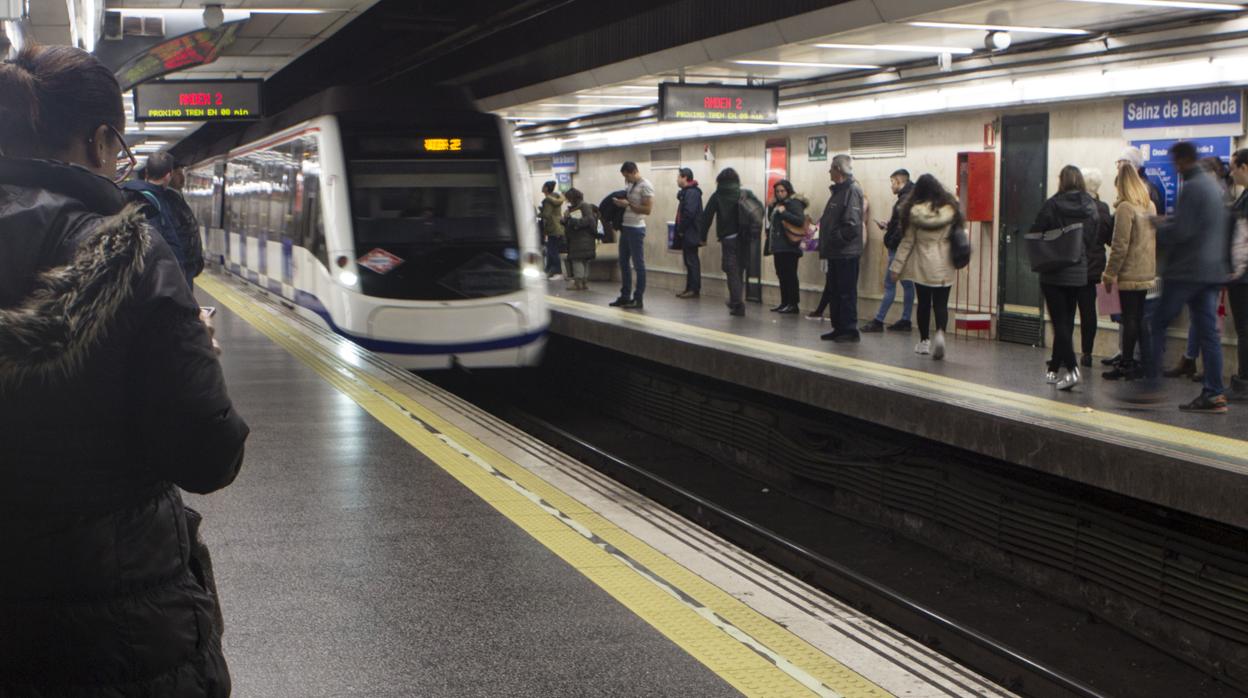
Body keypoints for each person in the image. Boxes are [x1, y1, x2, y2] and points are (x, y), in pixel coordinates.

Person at [0, 44, 248, 695]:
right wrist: (197, 353)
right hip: (114, 623)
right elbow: (207, 453)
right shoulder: (130, 252)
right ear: (99, 139)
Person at [1129, 141, 1231, 412]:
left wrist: (1157, 226)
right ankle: (1214, 393)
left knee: (1157, 322)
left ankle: (1151, 388)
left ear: (1183, 160)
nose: (1175, 167)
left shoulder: (1193, 187)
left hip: (1186, 271)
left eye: (1176, 162)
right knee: (1208, 333)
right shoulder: (1214, 187)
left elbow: (1183, 232)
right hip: (1210, 272)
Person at [1032, 165, 1097, 391]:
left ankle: (1071, 369)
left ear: (1061, 181)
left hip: (1053, 271)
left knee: (1059, 322)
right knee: (1067, 321)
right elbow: (1092, 237)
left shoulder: (1052, 204)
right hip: (1078, 270)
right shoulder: (1090, 205)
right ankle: (1055, 368)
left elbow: (1036, 230)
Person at [889, 174, 961, 360]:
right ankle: (940, 336)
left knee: (923, 303)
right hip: (945, 263)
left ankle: (924, 341)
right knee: (941, 304)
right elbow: (959, 235)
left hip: (922, 264)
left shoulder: (914, 213)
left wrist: (896, 267)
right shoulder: (950, 210)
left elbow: (907, 242)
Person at [1101, 163, 1157, 381]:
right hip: (1145, 271)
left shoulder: (1125, 208)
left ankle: (1126, 364)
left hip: (1129, 272)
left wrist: (1109, 273)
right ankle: (1143, 363)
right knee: (1140, 317)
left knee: (1129, 319)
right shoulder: (1149, 205)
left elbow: (1120, 245)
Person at [811, 154, 865, 342]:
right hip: (834, 252)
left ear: (839, 170)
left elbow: (852, 224)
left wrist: (835, 238)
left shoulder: (851, 190)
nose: (829, 172)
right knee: (834, 290)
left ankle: (849, 329)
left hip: (846, 253)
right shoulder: (838, 192)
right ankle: (838, 327)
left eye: (832, 168)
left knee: (846, 292)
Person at [699, 168, 762, 317]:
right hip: (746, 237)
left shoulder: (718, 195)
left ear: (719, 181)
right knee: (739, 269)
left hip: (729, 238)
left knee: (731, 270)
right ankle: (735, 299)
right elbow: (759, 209)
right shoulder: (745, 193)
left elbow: (706, 217)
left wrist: (702, 237)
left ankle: (737, 303)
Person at [862, 169, 915, 333]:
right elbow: (900, 224)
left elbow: (902, 228)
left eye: (892, 182)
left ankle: (878, 320)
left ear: (899, 181)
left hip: (898, 249)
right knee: (907, 285)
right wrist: (888, 226)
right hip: (904, 248)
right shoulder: (909, 198)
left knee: (889, 284)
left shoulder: (905, 200)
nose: (891, 186)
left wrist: (891, 240)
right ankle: (905, 319)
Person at [1079, 167, 1114, 366]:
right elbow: (1108, 237)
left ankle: (1064, 353)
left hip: (1075, 266)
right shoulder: (1103, 208)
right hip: (1094, 266)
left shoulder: (1077, 207)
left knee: (1067, 310)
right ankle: (1087, 353)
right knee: (1088, 311)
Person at [609, 161, 653, 309]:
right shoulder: (630, 185)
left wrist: (627, 205)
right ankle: (625, 296)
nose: (626, 179)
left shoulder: (645, 185)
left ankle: (638, 298)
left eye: (627, 176)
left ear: (634, 171)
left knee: (638, 264)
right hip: (625, 228)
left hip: (636, 229)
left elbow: (647, 210)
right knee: (623, 262)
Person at [1224, 148, 1248, 402]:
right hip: (1242, 274)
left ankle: (1244, 380)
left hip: (1243, 276)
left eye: (1234, 167)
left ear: (1245, 167)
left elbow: (1243, 240)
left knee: (1244, 329)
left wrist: (1236, 270)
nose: (1231, 172)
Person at [767, 179, 807, 314]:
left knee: (790, 275)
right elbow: (770, 220)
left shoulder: (794, 203)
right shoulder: (778, 204)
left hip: (790, 246)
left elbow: (800, 220)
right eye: (777, 191)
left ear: (788, 191)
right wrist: (772, 207)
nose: (779, 193)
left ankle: (793, 303)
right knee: (781, 274)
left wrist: (783, 212)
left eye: (782, 191)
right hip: (779, 246)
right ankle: (784, 302)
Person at [675, 167, 704, 298]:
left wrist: (681, 229)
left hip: (691, 232)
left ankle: (694, 289)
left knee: (692, 261)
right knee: (689, 261)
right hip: (689, 232)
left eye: (678, 176)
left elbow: (689, 213)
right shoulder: (687, 192)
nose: (677, 179)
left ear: (685, 177)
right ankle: (689, 288)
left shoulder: (692, 193)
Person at [561, 187, 596, 291]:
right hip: (583, 238)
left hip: (581, 238)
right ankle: (583, 283)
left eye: (568, 198)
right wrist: (565, 221)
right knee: (583, 260)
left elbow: (589, 220)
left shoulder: (583, 206)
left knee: (577, 260)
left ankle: (578, 283)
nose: (568, 200)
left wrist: (572, 221)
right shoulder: (577, 207)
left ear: (573, 197)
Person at [1118, 146, 1166, 217]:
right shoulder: (1147, 188)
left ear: (1132, 166)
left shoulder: (1146, 190)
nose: (1118, 166)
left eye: (1121, 163)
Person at [538, 181, 565, 280]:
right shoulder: (556, 197)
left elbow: (546, 214)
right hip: (558, 226)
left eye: (543, 186)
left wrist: (538, 213)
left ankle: (558, 272)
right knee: (550, 250)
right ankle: (547, 271)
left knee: (553, 251)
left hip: (552, 227)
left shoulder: (547, 200)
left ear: (546, 188)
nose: (542, 187)